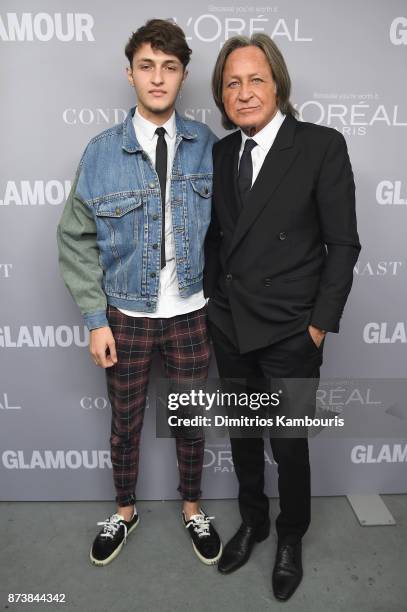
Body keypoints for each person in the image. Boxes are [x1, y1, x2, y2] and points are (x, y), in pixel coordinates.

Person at [57, 19, 221, 567]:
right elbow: (75, 238)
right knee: (124, 423)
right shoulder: (101, 153)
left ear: (183, 76)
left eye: (169, 67)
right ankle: (124, 510)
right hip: (124, 315)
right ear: (129, 74)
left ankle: (193, 508)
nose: (158, 78)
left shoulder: (208, 148)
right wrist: (93, 318)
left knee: (190, 422)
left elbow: (231, 232)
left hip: (192, 313)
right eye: (147, 66)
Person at [204, 34, 361, 600]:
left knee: (289, 443)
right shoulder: (220, 154)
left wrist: (318, 325)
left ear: (278, 85)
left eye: (255, 80)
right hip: (231, 325)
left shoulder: (320, 145)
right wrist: (210, 302)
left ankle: (290, 534)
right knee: (244, 436)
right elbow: (217, 240)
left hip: (293, 330)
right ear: (222, 96)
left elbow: (343, 245)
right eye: (232, 84)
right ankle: (254, 520)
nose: (244, 94)